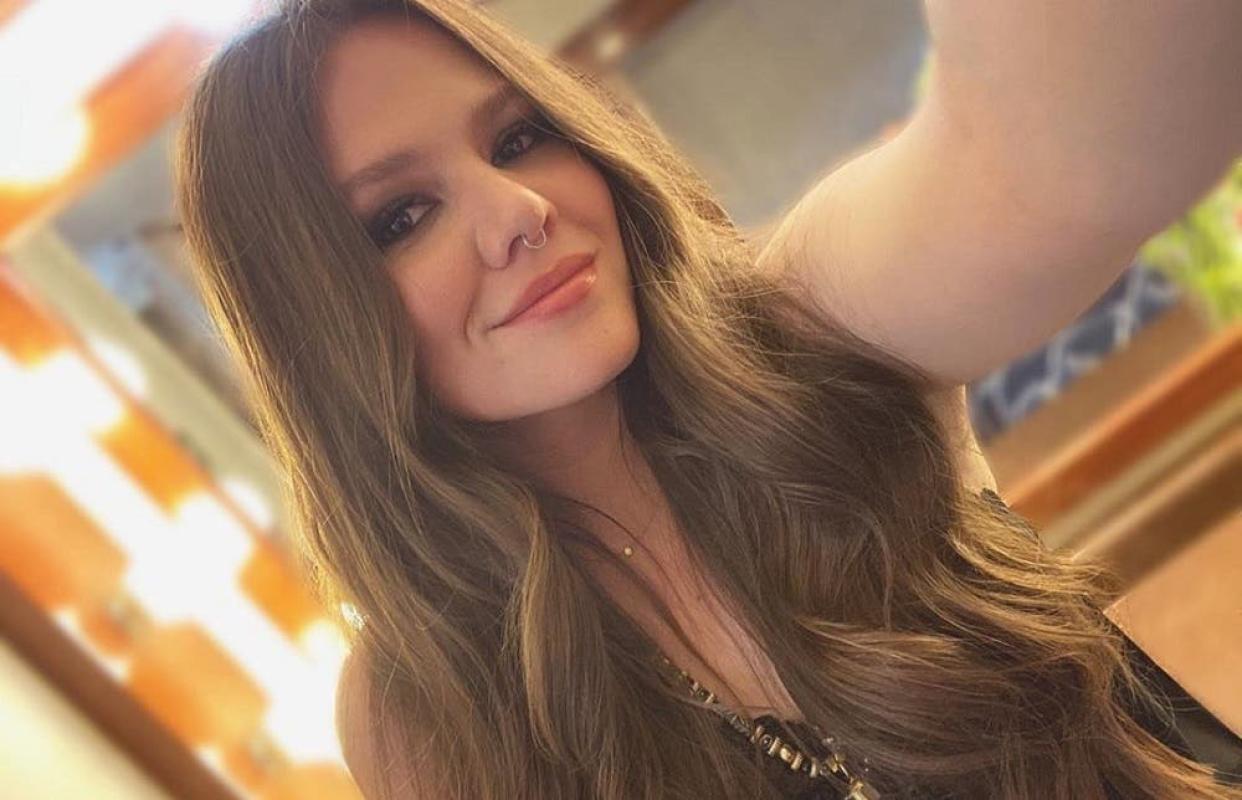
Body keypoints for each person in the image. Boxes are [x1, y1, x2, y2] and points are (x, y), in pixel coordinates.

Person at [174, 1, 1242, 797]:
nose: (520, 208)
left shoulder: (808, 329)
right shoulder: (420, 702)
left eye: (517, 138)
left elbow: (1058, 163)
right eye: (402, 218)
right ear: (319, 328)